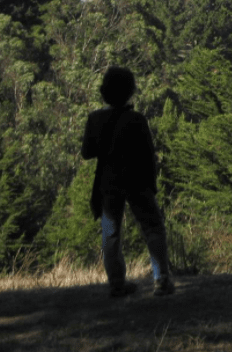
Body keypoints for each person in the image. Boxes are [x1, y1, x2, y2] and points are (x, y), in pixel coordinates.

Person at [82, 66, 174, 297]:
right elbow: (148, 153)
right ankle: (161, 278)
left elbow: (87, 152)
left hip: (107, 182)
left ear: (104, 92)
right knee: (152, 227)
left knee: (110, 234)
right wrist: (152, 183)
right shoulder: (136, 119)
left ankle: (116, 283)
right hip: (137, 180)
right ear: (130, 91)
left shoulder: (95, 119)